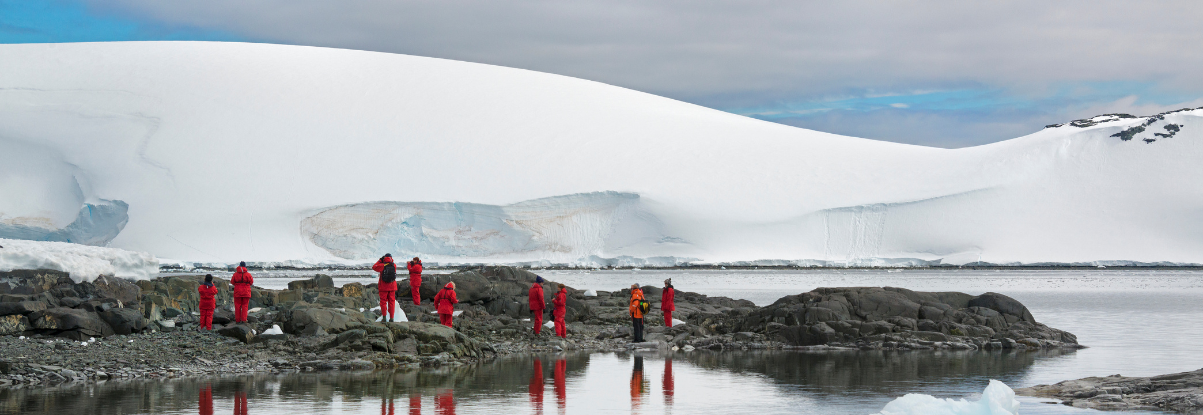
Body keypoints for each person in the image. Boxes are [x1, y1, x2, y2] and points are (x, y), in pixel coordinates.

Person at [373, 254, 399, 322]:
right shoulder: (394, 265)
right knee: (392, 302)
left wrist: (380, 260)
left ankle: (384, 317)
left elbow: (374, 267)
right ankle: (391, 318)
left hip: (383, 287)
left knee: (383, 302)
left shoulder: (382, 265)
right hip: (392, 286)